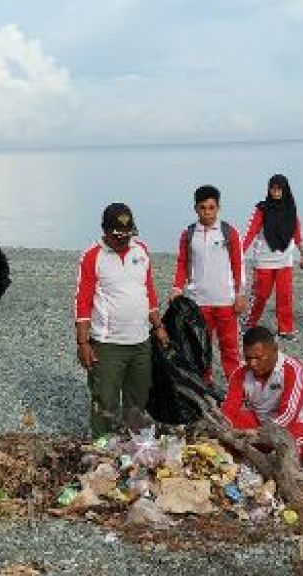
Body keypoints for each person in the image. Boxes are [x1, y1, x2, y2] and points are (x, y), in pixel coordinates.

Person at [75, 203, 170, 437]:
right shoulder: (91, 256)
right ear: (104, 231)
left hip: (140, 341)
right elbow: (82, 301)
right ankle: (101, 448)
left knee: (138, 399)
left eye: (127, 235)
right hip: (107, 344)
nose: (123, 240)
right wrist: (83, 343)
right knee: (105, 400)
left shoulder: (141, 251)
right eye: (117, 235)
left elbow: (148, 289)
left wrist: (158, 325)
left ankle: (132, 446)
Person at [169, 184, 246, 383]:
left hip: (226, 301)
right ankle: (205, 383)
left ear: (218, 207)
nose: (207, 212)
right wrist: (177, 288)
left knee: (230, 348)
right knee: (202, 347)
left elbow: (238, 264)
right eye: (203, 208)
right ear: (196, 208)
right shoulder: (188, 234)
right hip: (199, 301)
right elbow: (182, 264)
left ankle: (236, 387)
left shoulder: (229, 232)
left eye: (211, 207)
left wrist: (240, 293)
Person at [221, 326, 303, 462]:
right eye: (248, 357)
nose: (252, 363)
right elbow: (229, 408)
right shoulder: (240, 372)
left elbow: (289, 415)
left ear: (275, 350)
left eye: (258, 358)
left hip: (296, 430)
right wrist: (223, 429)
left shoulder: (293, 370)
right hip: (260, 429)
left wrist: (258, 434)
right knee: (229, 424)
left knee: (284, 453)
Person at [242, 174, 303, 339]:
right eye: (273, 189)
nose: (276, 193)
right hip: (263, 259)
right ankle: (249, 322)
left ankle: (285, 329)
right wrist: (239, 252)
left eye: (279, 189)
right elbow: (250, 232)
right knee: (260, 294)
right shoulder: (262, 209)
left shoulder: (291, 208)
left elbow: (296, 232)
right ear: (269, 189)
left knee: (284, 295)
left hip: (285, 259)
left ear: (285, 190)